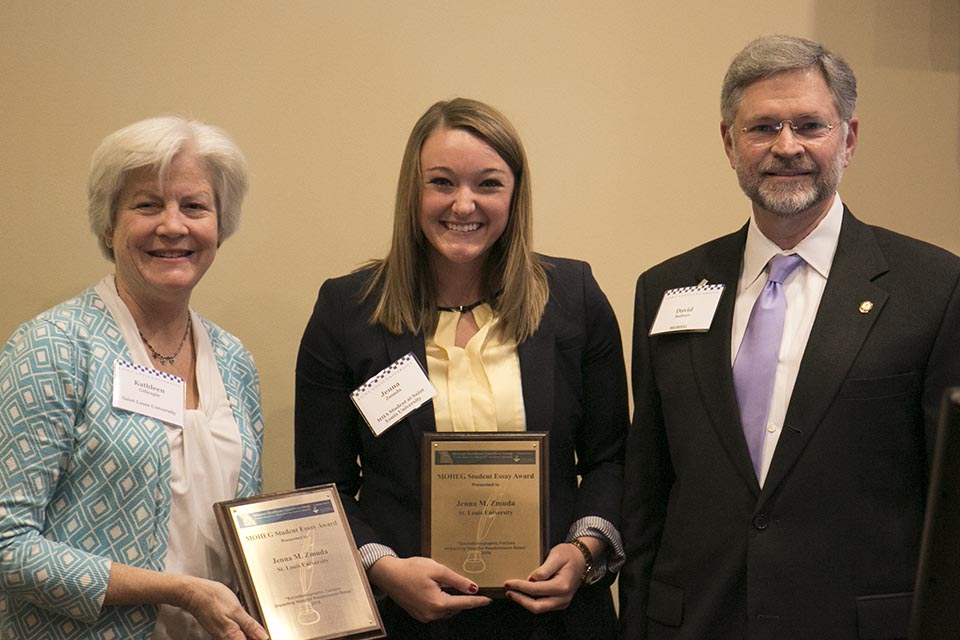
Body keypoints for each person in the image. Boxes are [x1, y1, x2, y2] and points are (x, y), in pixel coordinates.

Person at [618, 34, 960, 640]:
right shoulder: (666, 288)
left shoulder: (935, 289)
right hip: (695, 622)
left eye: (809, 125)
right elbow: (647, 492)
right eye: (763, 127)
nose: (786, 146)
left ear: (848, 139)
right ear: (729, 142)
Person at [295, 97, 628, 639]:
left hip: (553, 622)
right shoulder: (347, 310)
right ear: (413, 192)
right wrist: (382, 568)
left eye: (489, 184)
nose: (463, 204)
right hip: (407, 620)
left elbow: (610, 458)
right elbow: (322, 483)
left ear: (515, 194)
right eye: (442, 182)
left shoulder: (575, 298)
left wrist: (583, 551)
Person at [0, 117, 268, 640]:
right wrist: (180, 590)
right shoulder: (53, 346)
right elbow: (8, 545)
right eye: (147, 205)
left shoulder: (234, 360)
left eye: (195, 206)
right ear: (108, 224)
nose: (173, 226)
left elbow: (244, 535)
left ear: (221, 223)